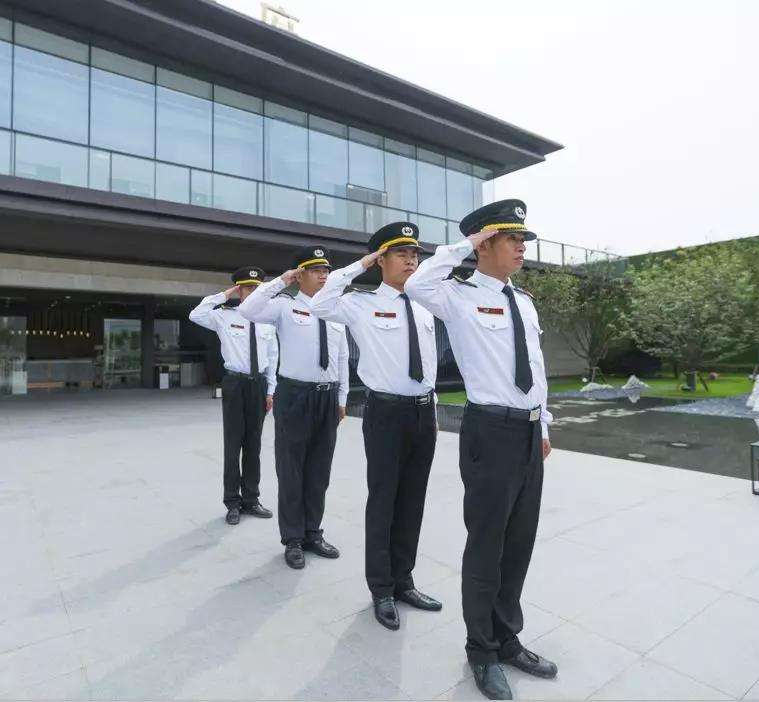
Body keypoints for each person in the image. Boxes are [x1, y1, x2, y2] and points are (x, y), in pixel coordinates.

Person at [404, 199, 557, 700]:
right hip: (489, 432)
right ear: (485, 243)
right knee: (487, 544)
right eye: (511, 238)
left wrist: (543, 423)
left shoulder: (525, 301)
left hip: (527, 434)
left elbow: (535, 368)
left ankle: (507, 638)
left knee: (519, 543)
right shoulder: (456, 294)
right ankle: (482, 650)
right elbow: (417, 283)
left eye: (523, 239)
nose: (521, 247)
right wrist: (465, 245)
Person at [310, 222, 441, 631]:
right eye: (401, 253)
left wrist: (433, 409)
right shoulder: (359, 302)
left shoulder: (424, 305)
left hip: (423, 413)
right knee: (384, 500)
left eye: (414, 254)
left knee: (413, 500)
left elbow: (430, 363)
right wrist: (359, 265)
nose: (411, 260)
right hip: (386, 414)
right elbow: (319, 303)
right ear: (381, 259)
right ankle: (381, 588)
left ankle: (404, 581)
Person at [238, 246, 349, 569]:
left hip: (327, 397)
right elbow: (247, 309)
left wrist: (342, 398)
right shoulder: (284, 306)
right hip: (295, 395)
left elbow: (342, 356)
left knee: (319, 471)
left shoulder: (335, 308)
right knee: (291, 470)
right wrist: (281, 281)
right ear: (300, 275)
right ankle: (293, 539)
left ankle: (313, 533)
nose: (324, 275)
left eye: (326, 270)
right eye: (316, 270)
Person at [188, 267, 277, 525]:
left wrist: (271, 390)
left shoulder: (268, 319)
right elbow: (196, 314)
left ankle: (251, 499)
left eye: (257, 288)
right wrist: (224, 295)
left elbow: (273, 357)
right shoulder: (224, 315)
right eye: (247, 288)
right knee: (233, 444)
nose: (253, 292)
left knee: (254, 445)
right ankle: (232, 502)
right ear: (239, 290)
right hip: (235, 383)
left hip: (259, 384)